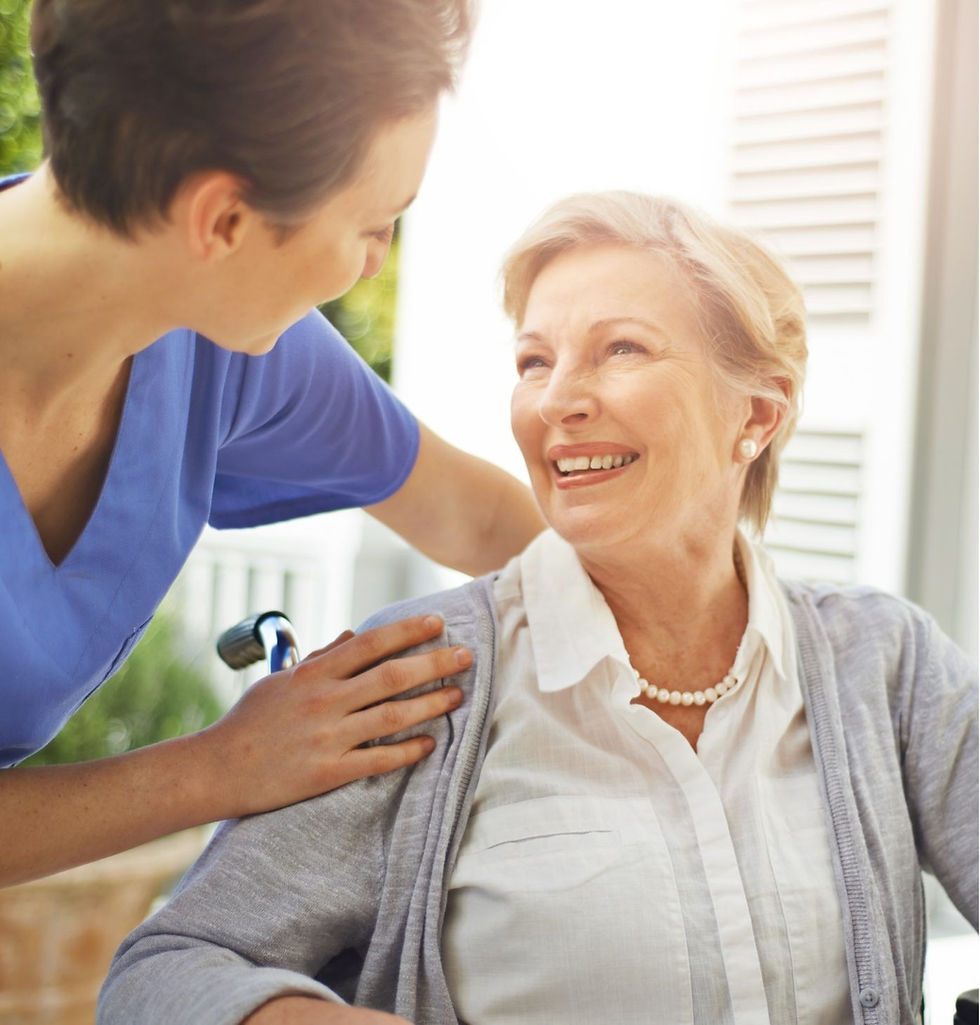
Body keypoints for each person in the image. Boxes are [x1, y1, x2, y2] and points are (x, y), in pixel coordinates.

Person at [98, 192, 978, 1025]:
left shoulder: (885, 660)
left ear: (755, 414)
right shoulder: (420, 676)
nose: (557, 400)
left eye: (621, 349)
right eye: (534, 362)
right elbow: (167, 970)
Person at [0, 0, 547, 888]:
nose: (376, 262)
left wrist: (726, 636)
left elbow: (476, 516)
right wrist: (223, 765)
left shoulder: (216, 342)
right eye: (374, 225)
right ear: (223, 221)